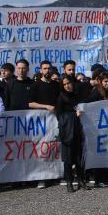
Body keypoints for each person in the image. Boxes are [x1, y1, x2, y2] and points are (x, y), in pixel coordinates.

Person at [28, 61, 61, 189]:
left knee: (54, 147)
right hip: (41, 122)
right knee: (41, 149)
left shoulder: (56, 85)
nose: (47, 71)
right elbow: (30, 103)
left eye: (49, 68)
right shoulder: (35, 85)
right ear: (41, 70)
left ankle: (55, 175)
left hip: (54, 120)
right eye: (44, 68)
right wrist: (45, 106)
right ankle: (42, 177)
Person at [57, 77, 88, 192]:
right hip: (67, 133)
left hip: (78, 131)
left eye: (69, 83)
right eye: (64, 84)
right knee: (68, 159)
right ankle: (69, 182)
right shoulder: (61, 98)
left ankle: (81, 180)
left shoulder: (77, 96)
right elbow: (59, 116)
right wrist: (74, 115)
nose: (67, 86)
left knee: (79, 157)